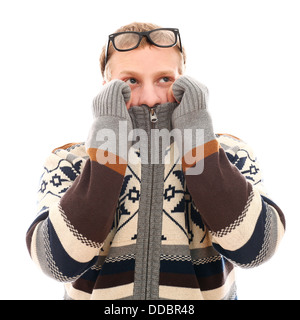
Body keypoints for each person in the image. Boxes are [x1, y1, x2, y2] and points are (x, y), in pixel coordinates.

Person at [26, 22, 286, 300]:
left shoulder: (228, 152)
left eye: (165, 79)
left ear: (184, 82)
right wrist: (106, 146)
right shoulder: (69, 160)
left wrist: (197, 138)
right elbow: (56, 263)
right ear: (107, 89)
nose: (150, 98)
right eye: (130, 81)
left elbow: (257, 249)